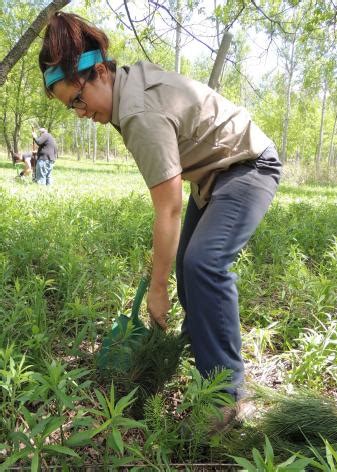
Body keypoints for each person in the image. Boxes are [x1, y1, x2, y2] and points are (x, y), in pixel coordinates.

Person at [38, 12, 282, 418]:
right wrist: (166, 276)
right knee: (189, 270)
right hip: (213, 176)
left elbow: (167, 206)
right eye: (70, 108)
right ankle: (196, 351)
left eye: (78, 100)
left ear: (100, 72)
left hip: (247, 166)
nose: (80, 113)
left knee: (204, 264)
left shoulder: (137, 113)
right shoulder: (127, 87)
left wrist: (156, 287)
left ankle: (226, 399)